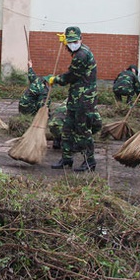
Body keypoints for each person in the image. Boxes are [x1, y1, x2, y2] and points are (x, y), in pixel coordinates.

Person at [49, 27, 100, 172]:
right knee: (67, 128)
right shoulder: (79, 51)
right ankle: (66, 159)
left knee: (83, 130)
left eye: (75, 41)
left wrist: (55, 79)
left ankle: (90, 161)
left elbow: (70, 77)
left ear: (81, 39)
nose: (72, 44)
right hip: (75, 97)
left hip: (85, 99)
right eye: (70, 42)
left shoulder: (82, 55)